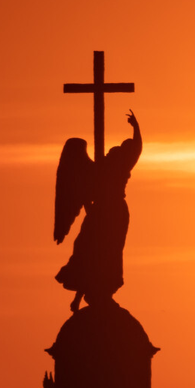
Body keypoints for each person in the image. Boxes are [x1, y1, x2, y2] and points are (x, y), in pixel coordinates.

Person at [55, 112, 143, 310]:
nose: (116, 151)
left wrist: (136, 128)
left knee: (108, 251)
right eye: (116, 150)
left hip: (114, 212)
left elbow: (137, 149)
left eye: (121, 150)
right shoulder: (104, 167)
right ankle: (81, 294)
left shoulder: (119, 165)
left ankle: (101, 289)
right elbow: (85, 191)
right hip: (100, 212)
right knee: (86, 247)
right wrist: (91, 212)